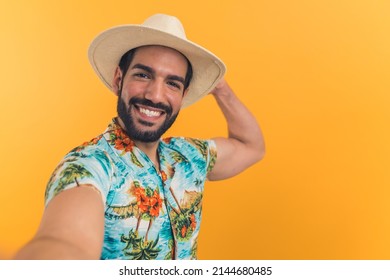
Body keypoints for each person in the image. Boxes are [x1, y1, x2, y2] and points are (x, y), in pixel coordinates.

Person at [14, 13, 265, 260]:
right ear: (118, 79)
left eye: (173, 84)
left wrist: (218, 86)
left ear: (183, 96)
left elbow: (251, 146)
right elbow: (64, 243)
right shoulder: (88, 166)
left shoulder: (188, 157)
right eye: (144, 75)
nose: (156, 95)